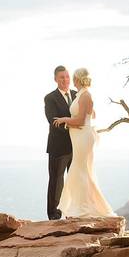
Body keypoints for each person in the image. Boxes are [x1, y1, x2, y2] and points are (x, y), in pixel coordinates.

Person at [52, 68, 116, 218]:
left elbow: (80, 120)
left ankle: (83, 208)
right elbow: (89, 113)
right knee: (83, 170)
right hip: (79, 137)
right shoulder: (80, 94)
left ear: (78, 79)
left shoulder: (85, 95)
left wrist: (64, 120)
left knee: (78, 169)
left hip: (83, 138)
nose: (71, 81)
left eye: (73, 78)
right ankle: (81, 206)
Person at [43, 66, 75, 220]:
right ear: (55, 79)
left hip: (77, 146)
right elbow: (53, 121)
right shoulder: (50, 98)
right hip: (58, 147)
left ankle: (73, 212)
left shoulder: (77, 95)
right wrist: (75, 127)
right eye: (62, 77)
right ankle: (54, 215)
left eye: (67, 76)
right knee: (56, 182)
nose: (65, 80)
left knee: (75, 180)